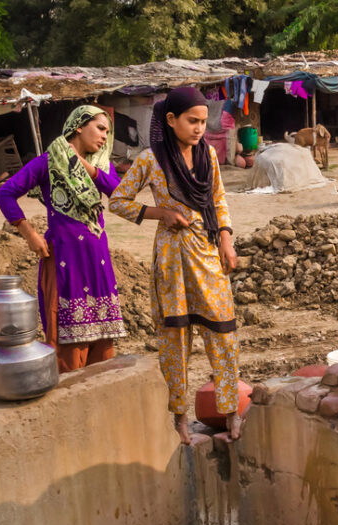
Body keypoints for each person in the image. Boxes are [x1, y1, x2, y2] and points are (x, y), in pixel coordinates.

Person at [110, 87, 241, 445]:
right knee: (175, 342)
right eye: (192, 121)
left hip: (206, 251)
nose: (200, 128)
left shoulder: (208, 157)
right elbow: (118, 202)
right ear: (171, 120)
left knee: (223, 334)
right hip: (171, 258)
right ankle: (180, 417)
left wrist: (226, 240)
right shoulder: (151, 160)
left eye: (203, 121)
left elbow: (218, 199)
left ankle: (231, 411)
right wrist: (160, 213)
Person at [0, 106, 127, 374]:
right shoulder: (48, 162)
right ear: (79, 125)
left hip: (97, 257)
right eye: (100, 128)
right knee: (65, 336)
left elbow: (119, 193)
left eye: (107, 132)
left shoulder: (101, 164)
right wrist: (29, 233)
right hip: (65, 257)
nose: (104, 137)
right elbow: (5, 193)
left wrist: (88, 169)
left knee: (102, 345)